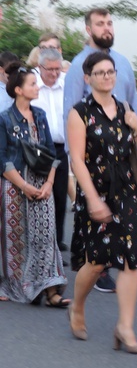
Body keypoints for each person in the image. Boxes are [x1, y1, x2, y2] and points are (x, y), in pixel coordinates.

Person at [66, 52, 137, 353]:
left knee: (129, 257)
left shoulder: (125, 108)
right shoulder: (79, 112)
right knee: (98, 259)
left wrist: (136, 128)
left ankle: (125, 327)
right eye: (99, 73)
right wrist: (93, 199)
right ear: (87, 78)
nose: (106, 76)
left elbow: (135, 149)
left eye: (110, 71)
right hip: (95, 190)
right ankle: (78, 306)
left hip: (126, 189)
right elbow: (77, 159)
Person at [63, 7, 137, 294]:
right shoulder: (78, 66)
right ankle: (94, 272)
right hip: (93, 164)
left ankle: (125, 324)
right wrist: (75, 163)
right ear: (89, 29)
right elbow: (70, 111)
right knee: (97, 238)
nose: (107, 28)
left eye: (110, 22)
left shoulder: (122, 62)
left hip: (123, 162)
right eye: (100, 23)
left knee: (127, 239)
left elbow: (134, 105)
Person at [0, 62, 68, 306]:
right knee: (16, 238)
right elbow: (3, 160)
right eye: (32, 83)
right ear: (18, 90)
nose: (37, 86)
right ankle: (21, 286)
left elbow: (51, 152)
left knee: (46, 236)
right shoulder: (5, 119)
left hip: (41, 183)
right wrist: (23, 186)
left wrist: (49, 182)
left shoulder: (39, 115)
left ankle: (50, 289)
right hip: (14, 184)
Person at [31, 47, 70, 255]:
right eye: (50, 70)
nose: (54, 74)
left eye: (57, 69)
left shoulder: (65, 85)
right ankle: (38, 247)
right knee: (39, 197)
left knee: (60, 196)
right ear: (40, 67)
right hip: (37, 150)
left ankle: (55, 246)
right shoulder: (33, 86)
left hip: (61, 148)